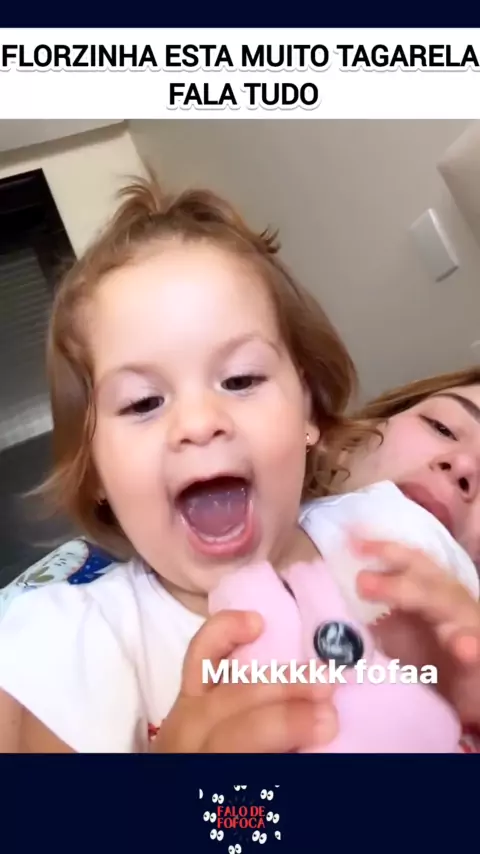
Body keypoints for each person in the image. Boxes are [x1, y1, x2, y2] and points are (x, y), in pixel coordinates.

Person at [0, 174, 479, 753]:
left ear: (308, 412)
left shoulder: (404, 537)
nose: (201, 422)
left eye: (241, 379)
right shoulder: (74, 646)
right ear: (95, 471)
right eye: (144, 402)